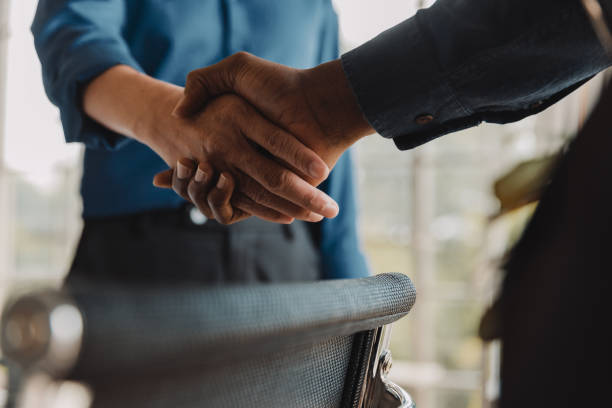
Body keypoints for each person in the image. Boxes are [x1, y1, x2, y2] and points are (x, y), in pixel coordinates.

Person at [153, 0, 612, 407]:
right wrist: (176, 127)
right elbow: (87, 59)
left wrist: (358, 332)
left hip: (287, 258)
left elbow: (330, 183)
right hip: (145, 262)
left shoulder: (313, 11)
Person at [31, 0, 370, 285]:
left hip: (288, 262)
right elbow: (73, 38)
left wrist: (360, 303)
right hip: (134, 256)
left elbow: (331, 146)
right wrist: (175, 123)